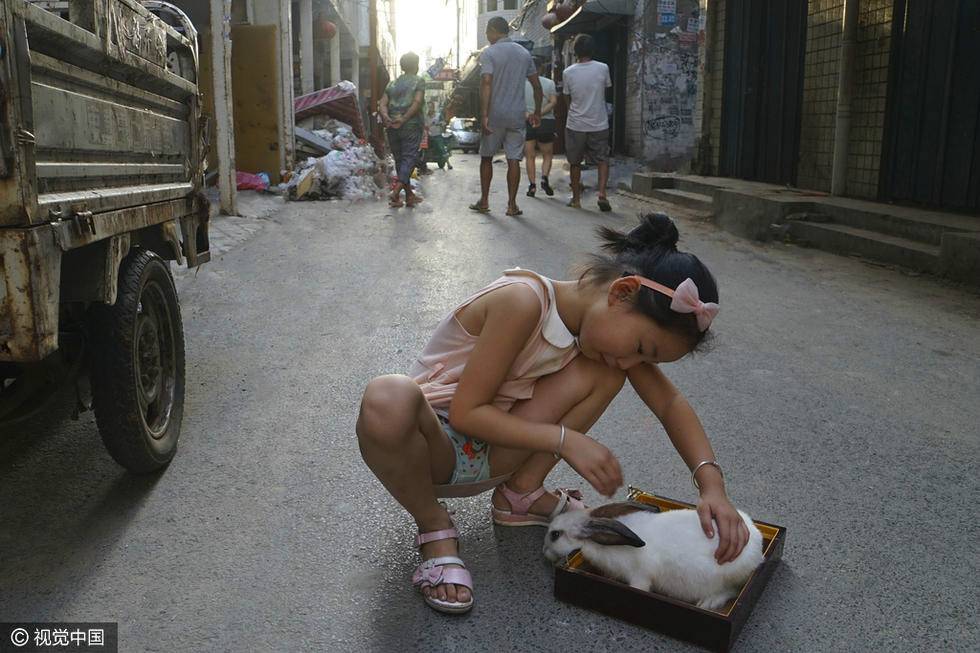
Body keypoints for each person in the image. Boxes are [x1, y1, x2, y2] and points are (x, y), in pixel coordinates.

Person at [356, 212, 750, 615]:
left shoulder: (604, 346)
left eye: (644, 360)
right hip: (432, 453)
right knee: (388, 395)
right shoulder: (522, 301)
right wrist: (566, 441)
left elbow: (669, 404)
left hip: (493, 455)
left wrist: (712, 488)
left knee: (605, 371)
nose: (632, 364)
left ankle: (521, 494)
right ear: (621, 293)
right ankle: (435, 526)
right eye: (640, 349)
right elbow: (466, 414)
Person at [469, 16, 543, 217]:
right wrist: (537, 112)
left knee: (486, 157)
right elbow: (537, 86)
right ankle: (512, 205)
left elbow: (486, 82)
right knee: (514, 159)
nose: (487, 35)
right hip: (517, 115)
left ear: (494, 30)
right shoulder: (524, 53)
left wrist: (484, 114)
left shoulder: (489, 53)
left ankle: (484, 201)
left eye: (487, 31)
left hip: (495, 114)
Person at [562, 34, 613, 212]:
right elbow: (605, 91)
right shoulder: (603, 68)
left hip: (576, 124)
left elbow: (567, 98)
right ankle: (602, 194)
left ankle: (576, 199)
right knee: (602, 159)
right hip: (599, 122)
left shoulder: (568, 72)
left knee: (575, 162)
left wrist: (573, 111)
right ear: (593, 50)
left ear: (575, 51)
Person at [380, 52, 425, 208]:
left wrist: (386, 117)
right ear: (416, 66)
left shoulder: (392, 84)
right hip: (411, 125)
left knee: (400, 159)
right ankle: (396, 191)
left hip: (392, 126)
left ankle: (409, 196)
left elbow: (382, 104)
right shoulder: (418, 81)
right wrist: (404, 118)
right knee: (409, 158)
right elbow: (417, 102)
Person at [524, 63, 558, 198]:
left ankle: (532, 186)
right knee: (547, 154)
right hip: (546, 122)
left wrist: (530, 116)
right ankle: (544, 178)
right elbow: (553, 102)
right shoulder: (549, 83)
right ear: (541, 69)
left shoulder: (521, 85)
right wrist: (540, 114)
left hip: (528, 122)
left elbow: (519, 105)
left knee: (530, 156)